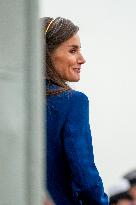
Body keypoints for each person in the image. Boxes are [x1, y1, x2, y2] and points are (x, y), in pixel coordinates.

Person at [41, 16, 109, 205]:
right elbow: (84, 172)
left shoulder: (13, 101)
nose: (82, 59)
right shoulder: (72, 101)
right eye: (73, 50)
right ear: (47, 53)